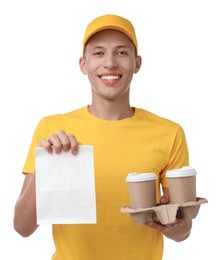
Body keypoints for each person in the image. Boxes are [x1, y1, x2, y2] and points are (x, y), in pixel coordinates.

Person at [14, 14, 192, 260]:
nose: (110, 63)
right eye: (98, 53)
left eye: (121, 53)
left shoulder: (169, 133)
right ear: (83, 64)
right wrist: (49, 165)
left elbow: (184, 232)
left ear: (137, 63)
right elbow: (22, 227)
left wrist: (173, 226)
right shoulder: (52, 129)